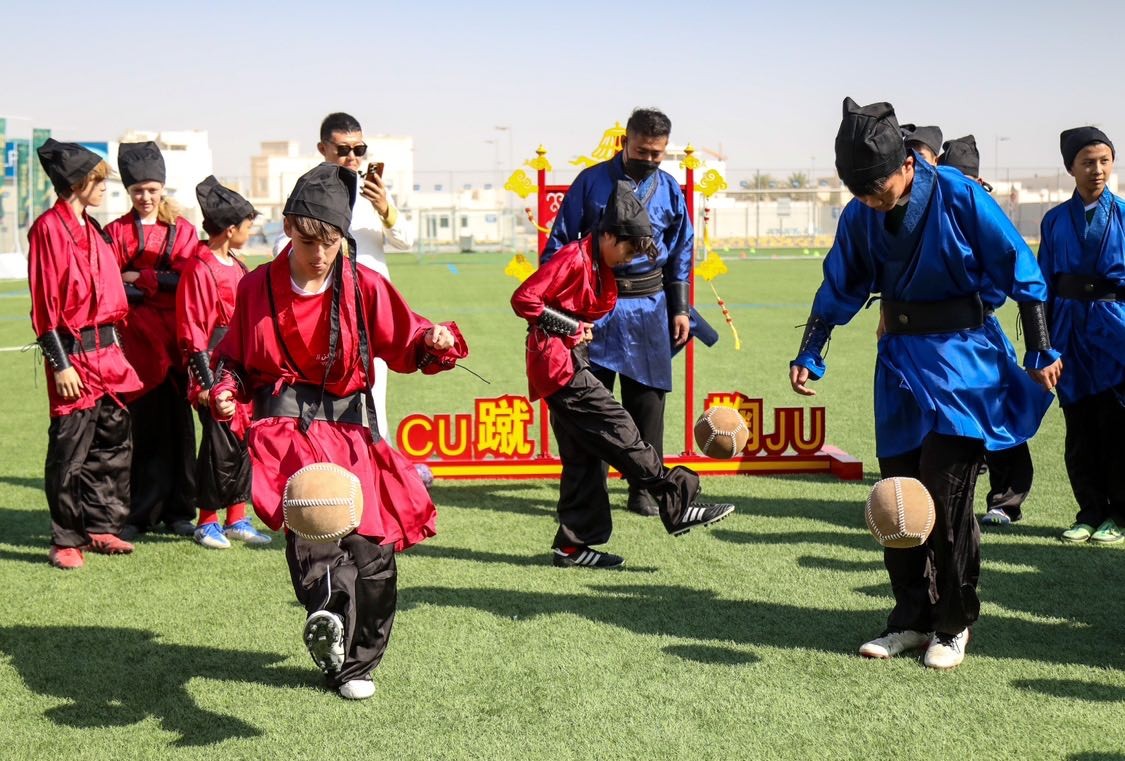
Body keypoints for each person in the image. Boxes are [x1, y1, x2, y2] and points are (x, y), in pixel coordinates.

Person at [789, 98, 1061, 670]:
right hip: (899, 367)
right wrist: (810, 350)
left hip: (963, 361)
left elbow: (1021, 267)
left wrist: (1040, 348)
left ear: (907, 164)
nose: (869, 200)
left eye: (877, 187)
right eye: (858, 191)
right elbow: (841, 281)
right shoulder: (860, 212)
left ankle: (954, 620)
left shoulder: (961, 195)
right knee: (897, 500)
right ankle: (910, 618)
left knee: (945, 493)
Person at [210, 163, 467, 699]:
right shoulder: (257, 286)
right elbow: (233, 357)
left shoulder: (363, 285)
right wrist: (226, 387)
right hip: (284, 432)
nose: (321, 254)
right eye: (310, 242)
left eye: (331, 242)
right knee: (316, 540)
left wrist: (434, 341)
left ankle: (358, 659)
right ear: (287, 228)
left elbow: (407, 336)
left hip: (351, 431)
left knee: (373, 553)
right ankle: (331, 629)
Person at [513, 180, 735, 569]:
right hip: (559, 367)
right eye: (628, 248)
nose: (629, 257)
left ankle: (572, 547)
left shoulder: (598, 261)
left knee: (582, 456)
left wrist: (576, 326)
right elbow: (524, 298)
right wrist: (569, 326)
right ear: (609, 235)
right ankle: (677, 503)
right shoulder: (571, 257)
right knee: (620, 427)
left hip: (561, 363)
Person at [542, 107, 702, 519]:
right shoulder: (591, 182)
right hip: (596, 309)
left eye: (657, 154)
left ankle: (644, 490)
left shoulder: (668, 189)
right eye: (642, 150)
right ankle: (591, 492)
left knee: (647, 402)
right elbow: (560, 241)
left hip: (650, 308)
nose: (649, 159)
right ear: (625, 143)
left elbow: (682, 248)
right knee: (591, 407)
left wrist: (680, 308)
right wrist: (562, 309)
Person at [29, 139, 142, 569]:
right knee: (69, 450)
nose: (105, 188)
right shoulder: (48, 229)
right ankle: (66, 539)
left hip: (110, 356)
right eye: (98, 181)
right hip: (74, 357)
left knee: (113, 445)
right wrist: (60, 364)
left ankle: (101, 527)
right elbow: (43, 306)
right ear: (79, 182)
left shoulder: (94, 228)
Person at [274, 112, 414, 440]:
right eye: (343, 149)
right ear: (322, 148)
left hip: (370, 314)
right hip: (322, 317)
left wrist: (385, 209)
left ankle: (377, 469)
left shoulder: (373, 193)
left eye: (359, 149)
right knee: (326, 403)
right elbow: (283, 244)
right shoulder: (309, 190)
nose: (352, 157)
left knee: (374, 400)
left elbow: (406, 240)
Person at [938, 135, 1034, 526]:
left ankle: (1006, 501)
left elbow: (1008, 276)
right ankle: (949, 500)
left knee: (1000, 412)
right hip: (939, 337)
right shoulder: (934, 214)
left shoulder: (987, 214)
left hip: (980, 330)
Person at [105, 142, 199, 539]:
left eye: (151, 190)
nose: (145, 197)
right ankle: (139, 513)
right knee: (141, 430)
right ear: (128, 193)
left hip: (176, 342)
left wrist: (140, 280)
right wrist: (153, 285)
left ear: (163, 189)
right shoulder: (115, 231)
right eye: (137, 191)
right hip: (136, 346)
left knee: (179, 427)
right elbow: (108, 284)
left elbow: (190, 282)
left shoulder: (184, 230)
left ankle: (180, 511)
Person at [1037, 127, 1125, 545]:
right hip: (1068, 332)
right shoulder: (1054, 221)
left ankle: (1119, 515)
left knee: (1116, 427)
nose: (1098, 170)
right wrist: (1043, 346)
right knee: (1079, 428)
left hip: (1115, 333)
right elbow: (1041, 286)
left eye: (1105, 160)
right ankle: (1089, 511)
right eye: (1088, 162)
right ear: (1070, 166)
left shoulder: (1124, 214)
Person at [176, 176, 271, 549]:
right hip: (211, 366)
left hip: (238, 364)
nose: (250, 231)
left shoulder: (237, 264)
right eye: (248, 225)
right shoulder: (199, 268)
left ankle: (237, 516)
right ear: (230, 229)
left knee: (240, 442)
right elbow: (191, 329)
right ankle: (207, 521)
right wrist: (205, 384)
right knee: (216, 443)